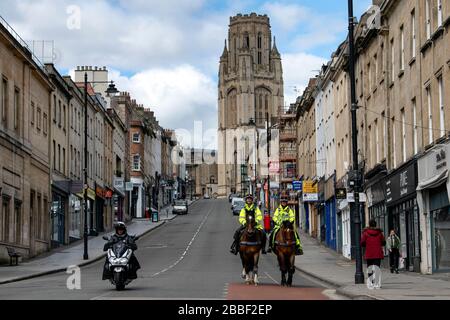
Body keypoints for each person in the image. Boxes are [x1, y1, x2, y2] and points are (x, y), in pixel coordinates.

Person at [361, 219, 386, 289]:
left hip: (369, 253)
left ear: (369, 225)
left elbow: (362, 243)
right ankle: (377, 284)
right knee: (377, 268)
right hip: (377, 253)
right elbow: (384, 242)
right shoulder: (380, 233)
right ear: (375, 225)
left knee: (370, 268)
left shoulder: (365, 233)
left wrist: (367, 244)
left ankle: (371, 283)